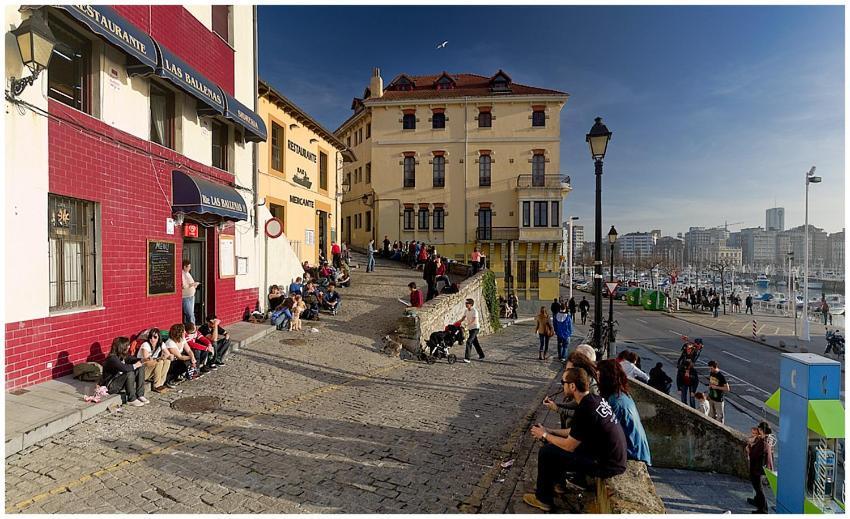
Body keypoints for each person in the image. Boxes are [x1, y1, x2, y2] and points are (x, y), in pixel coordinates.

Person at [524, 367, 627, 512]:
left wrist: (544, 435)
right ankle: (555, 485)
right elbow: (575, 432)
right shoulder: (594, 400)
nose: (562, 385)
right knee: (552, 444)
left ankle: (543, 499)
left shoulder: (586, 408)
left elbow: (569, 446)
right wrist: (549, 431)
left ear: (572, 386)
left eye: (563, 382)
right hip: (606, 455)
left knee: (547, 453)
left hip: (606, 465)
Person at [597, 359, 652, 465]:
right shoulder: (621, 394)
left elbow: (606, 431)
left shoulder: (615, 402)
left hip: (633, 453)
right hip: (637, 450)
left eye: (599, 375)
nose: (597, 379)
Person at [543, 351, 599, 430]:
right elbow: (575, 404)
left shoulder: (591, 388)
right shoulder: (582, 383)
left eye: (569, 370)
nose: (566, 373)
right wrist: (556, 405)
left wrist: (557, 408)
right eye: (566, 369)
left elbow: (582, 414)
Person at [100, 336, 147, 406]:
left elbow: (131, 359)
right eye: (127, 345)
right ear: (121, 347)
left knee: (141, 367)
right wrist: (135, 365)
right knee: (129, 373)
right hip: (111, 386)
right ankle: (131, 399)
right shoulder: (112, 358)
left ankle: (140, 394)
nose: (129, 347)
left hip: (119, 383)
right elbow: (123, 368)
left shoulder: (122, 355)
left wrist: (141, 360)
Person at [745, 422, 774, 514]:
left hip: (758, 468)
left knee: (759, 489)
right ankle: (759, 504)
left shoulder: (763, 442)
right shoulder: (766, 439)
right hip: (760, 467)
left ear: (761, 430)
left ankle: (763, 510)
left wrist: (749, 447)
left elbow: (754, 454)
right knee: (758, 488)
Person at [137, 328, 173, 393]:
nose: (152, 339)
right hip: (143, 370)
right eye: (150, 337)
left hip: (152, 367)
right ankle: (156, 385)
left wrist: (167, 356)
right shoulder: (145, 344)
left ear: (159, 337)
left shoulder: (161, 344)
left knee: (167, 361)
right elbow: (146, 358)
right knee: (159, 362)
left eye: (155, 337)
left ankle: (161, 383)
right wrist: (158, 359)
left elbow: (168, 354)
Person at [458, 298, 484, 363]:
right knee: (475, 342)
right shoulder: (466, 311)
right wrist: (457, 323)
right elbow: (463, 318)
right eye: (465, 303)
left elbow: (474, 320)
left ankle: (467, 358)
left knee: (469, 342)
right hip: (470, 329)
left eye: (467, 303)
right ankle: (481, 355)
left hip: (475, 328)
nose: (466, 304)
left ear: (471, 304)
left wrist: (467, 325)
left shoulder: (475, 311)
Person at [181, 260, 200, 325]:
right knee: (189, 313)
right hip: (186, 297)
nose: (190, 268)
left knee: (191, 313)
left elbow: (190, 283)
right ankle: (192, 328)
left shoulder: (188, 273)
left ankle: (192, 328)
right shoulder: (182, 274)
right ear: (184, 267)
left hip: (191, 296)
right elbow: (184, 286)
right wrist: (193, 284)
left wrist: (195, 285)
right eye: (188, 267)